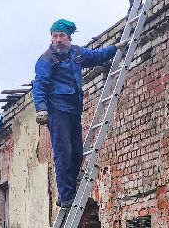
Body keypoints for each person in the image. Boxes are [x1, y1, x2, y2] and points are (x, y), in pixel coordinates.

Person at [33, 19, 118, 210]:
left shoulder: (76, 53)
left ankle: (65, 195)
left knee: (77, 153)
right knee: (64, 153)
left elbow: (96, 56)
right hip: (57, 111)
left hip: (74, 110)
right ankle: (67, 196)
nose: (58, 40)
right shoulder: (46, 59)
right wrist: (41, 108)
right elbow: (39, 85)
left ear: (68, 37)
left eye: (61, 36)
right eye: (54, 36)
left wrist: (115, 47)